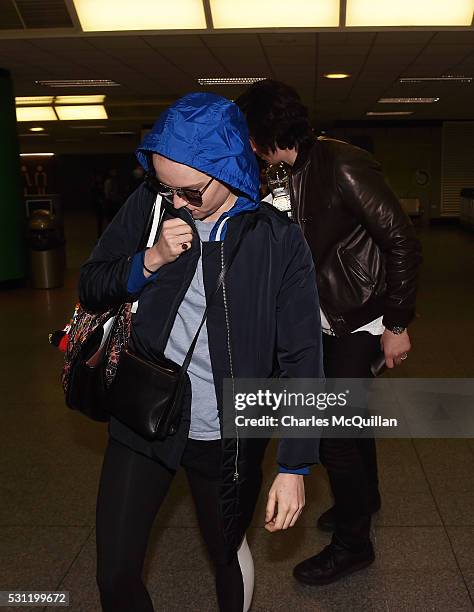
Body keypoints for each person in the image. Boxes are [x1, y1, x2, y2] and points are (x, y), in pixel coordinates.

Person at [78, 92, 323, 612]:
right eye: (164, 188)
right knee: (114, 570)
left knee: (226, 552)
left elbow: (303, 356)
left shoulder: (277, 240)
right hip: (144, 412)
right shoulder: (150, 206)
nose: (175, 203)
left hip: (226, 432)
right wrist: (150, 258)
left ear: (229, 170)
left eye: (189, 192)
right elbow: (92, 284)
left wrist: (295, 465)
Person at [236, 80, 422, 585]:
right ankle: (362, 500)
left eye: (249, 134)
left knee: (334, 433)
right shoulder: (291, 170)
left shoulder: (341, 163)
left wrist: (397, 323)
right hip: (325, 317)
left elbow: (401, 240)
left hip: (359, 315)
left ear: (263, 132)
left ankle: (354, 545)